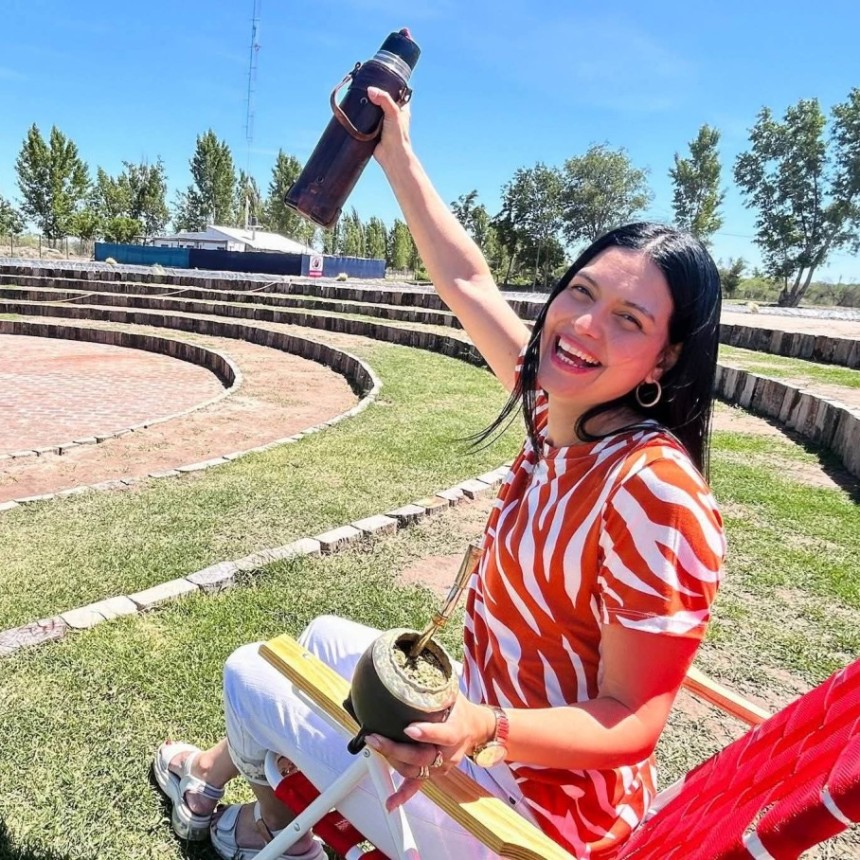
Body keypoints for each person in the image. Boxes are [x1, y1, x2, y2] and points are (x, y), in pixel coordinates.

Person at [152, 85, 725, 860]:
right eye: (581, 292)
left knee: (248, 671)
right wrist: (398, 156)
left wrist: (484, 727)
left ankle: (261, 831)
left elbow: (632, 719)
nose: (584, 324)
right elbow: (469, 282)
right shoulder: (560, 419)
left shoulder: (654, 492)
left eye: (629, 319)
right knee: (324, 636)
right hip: (490, 740)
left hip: (534, 821)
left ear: (667, 358)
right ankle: (216, 783)